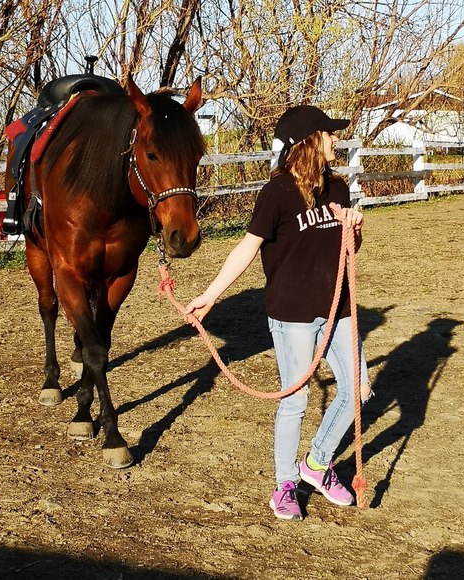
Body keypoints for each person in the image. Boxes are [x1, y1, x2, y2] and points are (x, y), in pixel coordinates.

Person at [185, 105, 371, 521]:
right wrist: (210, 296)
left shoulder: (338, 188)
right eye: (329, 133)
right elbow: (247, 249)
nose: (335, 139)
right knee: (295, 400)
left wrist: (355, 230)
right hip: (293, 315)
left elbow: (347, 251)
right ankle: (284, 484)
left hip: (338, 308)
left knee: (357, 391)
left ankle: (317, 464)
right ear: (308, 142)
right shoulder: (276, 194)